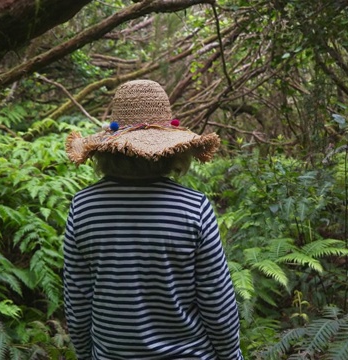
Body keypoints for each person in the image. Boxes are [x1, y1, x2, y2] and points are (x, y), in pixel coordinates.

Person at [63, 79, 243, 360]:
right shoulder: (194, 208)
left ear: (108, 148)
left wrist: (87, 355)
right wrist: (231, 355)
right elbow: (215, 299)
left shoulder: (83, 206)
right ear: (175, 150)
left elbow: (77, 298)